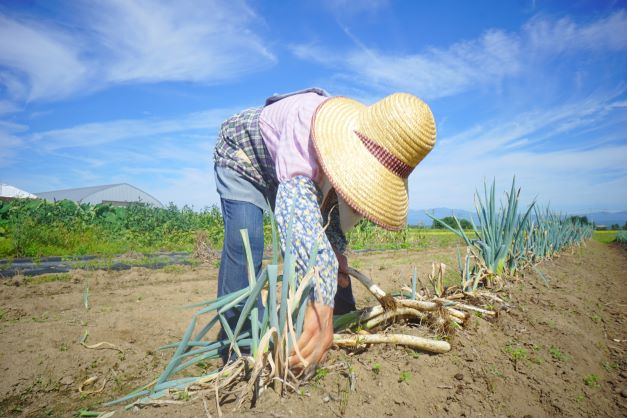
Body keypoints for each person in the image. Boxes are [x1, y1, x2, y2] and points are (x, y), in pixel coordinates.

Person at [212, 88, 436, 369]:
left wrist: (335, 258)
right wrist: (321, 307)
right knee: (246, 241)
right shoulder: (307, 121)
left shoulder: (344, 159)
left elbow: (329, 225)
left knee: (330, 255)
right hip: (243, 155)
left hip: (285, 169)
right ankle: (240, 348)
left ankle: (343, 318)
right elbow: (296, 220)